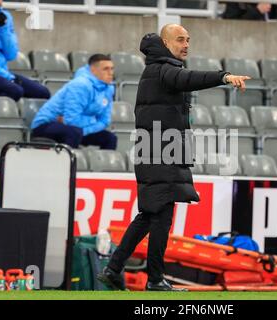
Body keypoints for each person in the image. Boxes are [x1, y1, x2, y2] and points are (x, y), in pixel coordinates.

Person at [97, 24, 250, 291]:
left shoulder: (159, 67)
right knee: (161, 217)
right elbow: (188, 79)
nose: (186, 44)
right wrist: (223, 77)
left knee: (148, 215)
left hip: (158, 150)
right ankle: (155, 279)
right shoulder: (162, 69)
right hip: (159, 152)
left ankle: (113, 268)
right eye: (180, 40)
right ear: (166, 43)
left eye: (188, 39)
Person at [31, 54, 117, 150]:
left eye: (112, 69)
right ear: (93, 70)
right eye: (105, 69)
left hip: (77, 128)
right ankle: (68, 164)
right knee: (74, 133)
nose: (111, 73)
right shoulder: (80, 85)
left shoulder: (109, 89)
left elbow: (105, 121)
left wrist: (85, 130)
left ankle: (103, 165)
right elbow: (72, 120)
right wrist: (93, 120)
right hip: (46, 125)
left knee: (110, 138)